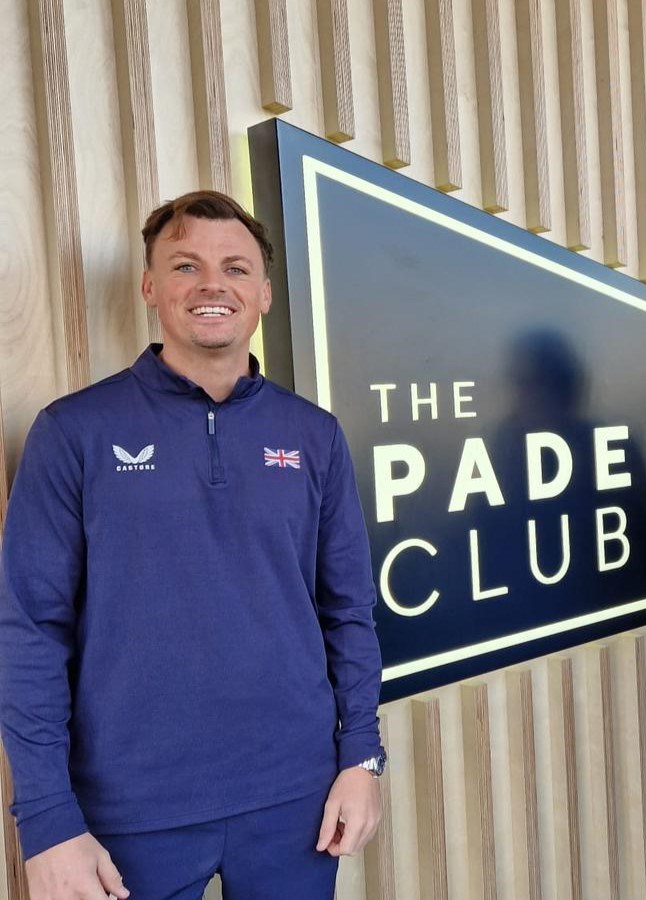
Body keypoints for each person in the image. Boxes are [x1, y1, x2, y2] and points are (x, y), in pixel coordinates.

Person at [0, 191, 387, 900]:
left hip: (294, 804)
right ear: (151, 287)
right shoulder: (74, 433)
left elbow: (349, 613)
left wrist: (361, 755)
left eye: (235, 268)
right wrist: (49, 821)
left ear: (264, 293)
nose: (213, 284)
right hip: (127, 817)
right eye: (186, 265)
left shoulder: (315, 436)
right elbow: (28, 632)